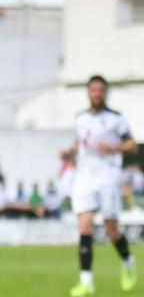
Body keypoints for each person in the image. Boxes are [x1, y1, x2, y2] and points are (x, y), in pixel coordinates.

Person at [65, 75, 138, 296]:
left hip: (108, 176)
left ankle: (128, 262)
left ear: (105, 93)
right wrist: (68, 152)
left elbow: (132, 145)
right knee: (84, 227)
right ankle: (86, 282)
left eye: (100, 90)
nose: (97, 94)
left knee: (110, 228)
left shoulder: (116, 118)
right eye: (93, 90)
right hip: (85, 175)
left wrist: (114, 149)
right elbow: (80, 143)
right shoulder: (80, 118)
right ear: (88, 92)